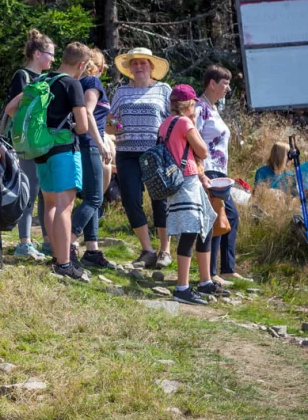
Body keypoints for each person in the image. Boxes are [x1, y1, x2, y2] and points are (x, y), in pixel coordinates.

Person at [7, 42, 91, 280]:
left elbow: (12, 108)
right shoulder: (72, 84)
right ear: (82, 64)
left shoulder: (40, 81)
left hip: (41, 152)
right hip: (64, 150)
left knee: (51, 204)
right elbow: (83, 126)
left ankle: (57, 257)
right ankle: (65, 264)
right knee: (65, 206)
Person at [108, 47, 173, 268]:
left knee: (160, 200)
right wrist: (116, 126)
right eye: (134, 63)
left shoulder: (164, 90)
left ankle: (165, 250)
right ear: (129, 69)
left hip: (155, 151)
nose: (138, 67)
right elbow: (110, 123)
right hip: (126, 152)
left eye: (143, 62)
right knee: (130, 199)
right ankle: (147, 250)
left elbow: (172, 121)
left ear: (151, 66)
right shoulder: (121, 92)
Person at [159, 85, 221, 304]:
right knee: (190, 231)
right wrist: (193, 124)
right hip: (186, 181)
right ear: (189, 104)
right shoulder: (185, 122)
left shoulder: (165, 123)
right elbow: (202, 150)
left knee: (207, 223)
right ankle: (182, 287)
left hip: (180, 181)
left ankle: (204, 282)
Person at [0, 29, 54, 261]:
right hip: (26, 142)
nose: (53, 58)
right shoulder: (22, 76)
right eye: (50, 53)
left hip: (44, 141)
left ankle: (48, 241)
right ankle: (24, 243)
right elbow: (14, 110)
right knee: (29, 190)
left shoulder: (48, 78)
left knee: (46, 192)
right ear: (37, 53)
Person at [195, 65, 250, 284]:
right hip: (208, 170)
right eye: (225, 83)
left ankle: (226, 268)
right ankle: (212, 273)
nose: (228, 88)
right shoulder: (200, 108)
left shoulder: (214, 108)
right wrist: (200, 172)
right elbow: (193, 138)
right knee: (217, 218)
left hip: (219, 171)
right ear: (212, 83)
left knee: (229, 217)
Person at [70, 47, 115, 269]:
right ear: (99, 67)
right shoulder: (93, 83)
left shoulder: (78, 83)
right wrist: (101, 143)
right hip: (89, 146)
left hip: (82, 144)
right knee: (95, 199)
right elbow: (88, 113)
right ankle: (68, 243)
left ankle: (92, 249)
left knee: (91, 196)